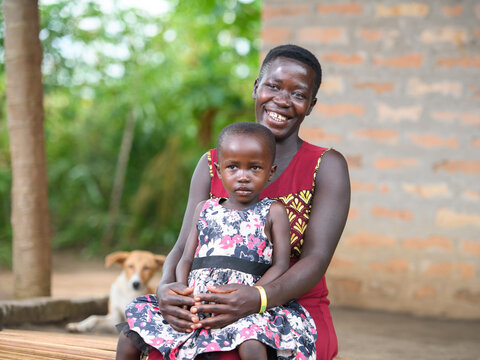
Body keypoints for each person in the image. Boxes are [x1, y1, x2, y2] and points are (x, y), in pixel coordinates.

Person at [116, 44, 351, 360]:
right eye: (273, 86)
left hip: (291, 305)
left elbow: (316, 259)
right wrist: (166, 291)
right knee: (158, 346)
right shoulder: (212, 162)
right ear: (256, 87)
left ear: (310, 105)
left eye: (298, 94)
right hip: (207, 301)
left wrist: (259, 298)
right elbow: (183, 245)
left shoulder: (326, 165)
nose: (282, 100)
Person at [122, 122, 317, 359]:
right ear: (218, 169)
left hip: (244, 305)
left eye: (255, 168)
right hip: (196, 302)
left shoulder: (274, 212)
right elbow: (186, 257)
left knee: (252, 344)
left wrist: (255, 294)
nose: (243, 177)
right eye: (233, 167)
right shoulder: (204, 209)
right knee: (130, 333)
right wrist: (183, 294)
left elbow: (280, 265)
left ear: (271, 172)